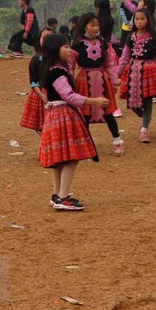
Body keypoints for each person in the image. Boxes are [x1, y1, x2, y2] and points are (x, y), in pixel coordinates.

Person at [38, 32, 106, 211]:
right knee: (70, 157)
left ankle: (57, 195)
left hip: (55, 114)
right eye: (65, 46)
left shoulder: (51, 68)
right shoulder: (58, 71)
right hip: (63, 115)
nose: (70, 50)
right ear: (55, 49)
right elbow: (68, 95)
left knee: (61, 159)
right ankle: (63, 197)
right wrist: (94, 101)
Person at [71, 10, 124, 157]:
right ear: (84, 26)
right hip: (84, 81)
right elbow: (70, 65)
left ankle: (118, 141)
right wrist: (69, 85)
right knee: (85, 114)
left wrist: (113, 82)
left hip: (102, 79)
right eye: (92, 25)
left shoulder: (102, 43)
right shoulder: (76, 45)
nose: (96, 28)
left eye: (97, 25)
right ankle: (87, 146)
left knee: (108, 112)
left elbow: (109, 63)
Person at [116, 8, 156, 143]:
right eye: (137, 19)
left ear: (148, 20)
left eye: (142, 19)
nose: (139, 22)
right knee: (131, 101)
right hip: (133, 71)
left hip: (149, 71)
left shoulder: (153, 37)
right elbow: (125, 56)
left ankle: (144, 129)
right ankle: (145, 118)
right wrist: (117, 73)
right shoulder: (131, 37)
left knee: (147, 101)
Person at [20, 27, 54, 134]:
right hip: (40, 94)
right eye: (44, 37)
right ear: (39, 39)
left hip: (56, 93)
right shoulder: (36, 59)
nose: (46, 40)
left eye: (50, 37)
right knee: (42, 125)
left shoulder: (59, 58)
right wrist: (41, 94)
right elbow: (33, 81)